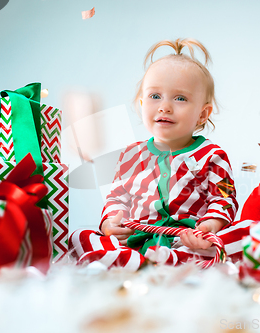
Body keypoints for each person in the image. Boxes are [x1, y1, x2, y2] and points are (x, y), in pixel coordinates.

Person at [70, 38, 239, 268]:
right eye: (154, 96)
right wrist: (111, 222)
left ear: (202, 114)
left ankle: (162, 261)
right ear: (141, 103)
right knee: (81, 236)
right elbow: (117, 197)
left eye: (180, 98)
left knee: (234, 239)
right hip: (136, 237)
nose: (164, 106)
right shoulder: (131, 154)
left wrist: (208, 227)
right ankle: (128, 258)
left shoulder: (212, 155)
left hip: (185, 239)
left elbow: (224, 198)